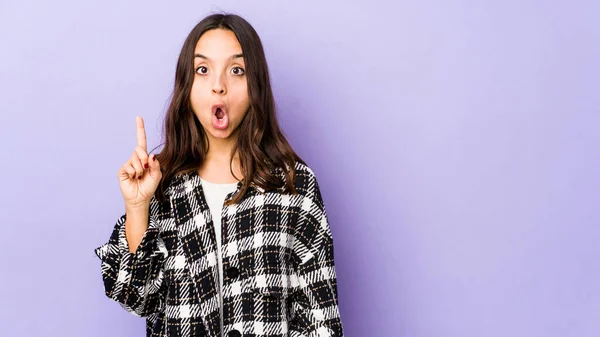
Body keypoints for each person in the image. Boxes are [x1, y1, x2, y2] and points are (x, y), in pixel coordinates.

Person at [93, 13, 344, 337]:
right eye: (203, 69)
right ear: (187, 85)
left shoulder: (294, 187)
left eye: (236, 70)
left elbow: (321, 324)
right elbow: (134, 296)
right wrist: (138, 207)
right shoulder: (162, 185)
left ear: (256, 86)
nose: (219, 86)